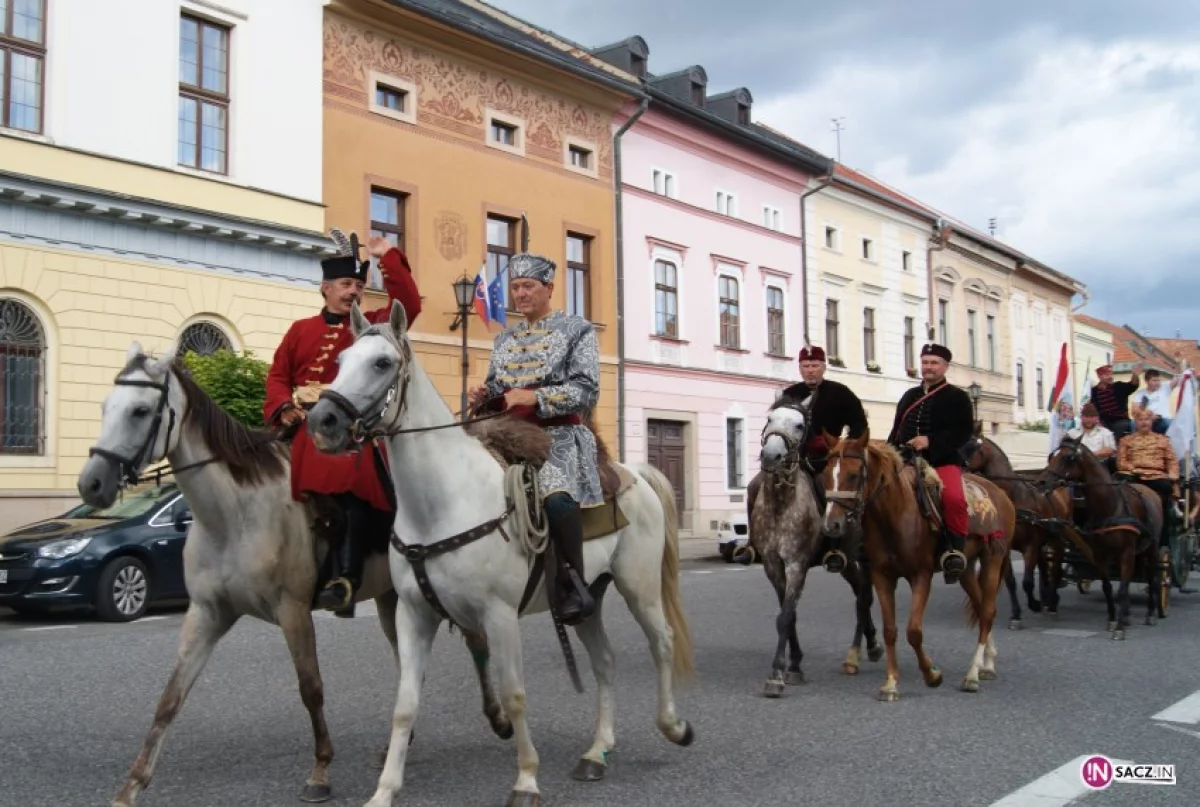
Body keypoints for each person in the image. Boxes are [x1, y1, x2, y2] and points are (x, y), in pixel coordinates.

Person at [264, 230, 423, 615]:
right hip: (302, 424)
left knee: (348, 483)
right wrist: (284, 405)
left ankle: (348, 577)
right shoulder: (300, 330)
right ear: (325, 288)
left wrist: (387, 258)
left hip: (352, 431)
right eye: (346, 284)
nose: (354, 292)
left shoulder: (370, 326)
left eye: (359, 285)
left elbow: (410, 305)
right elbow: (277, 376)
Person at [467, 253, 601, 626]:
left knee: (555, 496)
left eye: (528, 286)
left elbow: (587, 390)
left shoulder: (577, 329)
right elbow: (499, 387)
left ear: (549, 289)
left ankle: (572, 582)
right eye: (515, 287)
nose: (521, 294)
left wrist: (537, 397)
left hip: (558, 434)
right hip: (506, 431)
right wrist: (484, 396)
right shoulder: (505, 338)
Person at [752, 343, 869, 573]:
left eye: (815, 365)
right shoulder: (790, 394)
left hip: (824, 463)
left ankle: (834, 547)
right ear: (800, 368)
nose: (810, 370)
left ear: (823, 367)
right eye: (806, 366)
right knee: (755, 486)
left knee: (826, 491)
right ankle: (752, 542)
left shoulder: (840, 393)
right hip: (792, 462)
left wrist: (841, 447)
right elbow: (776, 424)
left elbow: (859, 425)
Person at [886, 340, 975, 583]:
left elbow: (964, 431)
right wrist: (888, 454)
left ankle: (955, 551)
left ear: (945, 366)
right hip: (906, 460)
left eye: (934, 363)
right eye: (925, 362)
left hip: (941, 461)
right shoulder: (909, 396)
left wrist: (930, 442)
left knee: (954, 499)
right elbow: (896, 430)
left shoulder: (957, 397)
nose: (928, 367)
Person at [1116, 408, 1182, 547]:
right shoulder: (1126, 440)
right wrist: (1134, 469)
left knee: (1166, 488)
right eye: (1140, 419)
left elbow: (1172, 461)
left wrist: (1172, 475)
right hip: (1133, 475)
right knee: (1118, 486)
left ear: (1151, 421)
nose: (1144, 422)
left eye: (1147, 419)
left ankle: (1163, 537)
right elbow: (1121, 461)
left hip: (1156, 476)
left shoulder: (1162, 440)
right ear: (1136, 422)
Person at [1090, 363, 1141, 442]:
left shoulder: (1118, 386)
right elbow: (1092, 409)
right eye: (1106, 375)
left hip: (1120, 420)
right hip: (1103, 421)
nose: (1110, 377)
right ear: (1099, 376)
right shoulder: (1094, 392)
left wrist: (1135, 375)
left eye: (1111, 374)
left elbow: (1133, 385)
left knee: (1120, 426)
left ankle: (1115, 448)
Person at [1065, 402, 1117, 473]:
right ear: (1082, 417)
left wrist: (1090, 455)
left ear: (1097, 418)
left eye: (1092, 417)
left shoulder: (1105, 433)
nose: (1089, 420)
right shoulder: (1072, 433)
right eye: (1086, 417)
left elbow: (1110, 450)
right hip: (1076, 468)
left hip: (1099, 469)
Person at [1135, 369, 1178, 435]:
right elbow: (1136, 410)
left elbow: (1176, 380)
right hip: (1147, 419)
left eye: (1158, 380)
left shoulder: (1164, 387)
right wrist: (1149, 415)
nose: (1157, 383)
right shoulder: (1141, 393)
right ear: (1146, 381)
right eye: (1154, 380)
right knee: (1133, 423)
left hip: (1163, 419)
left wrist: (1178, 367)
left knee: (1171, 424)